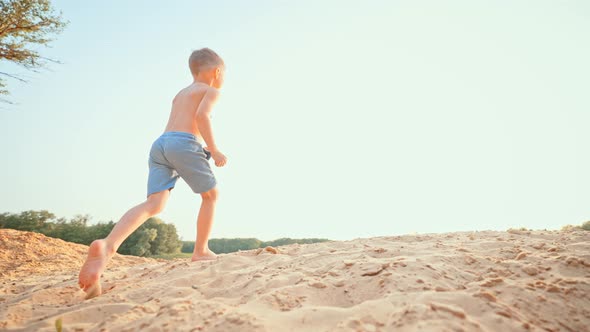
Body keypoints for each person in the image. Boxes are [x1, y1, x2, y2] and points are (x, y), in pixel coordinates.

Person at [77, 47, 228, 299]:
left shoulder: (181, 93)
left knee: (154, 204)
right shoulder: (212, 90)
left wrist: (195, 147)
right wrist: (214, 149)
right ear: (217, 72)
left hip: (161, 144)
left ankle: (108, 245)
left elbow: (181, 124)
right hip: (183, 142)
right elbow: (202, 116)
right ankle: (201, 250)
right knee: (211, 195)